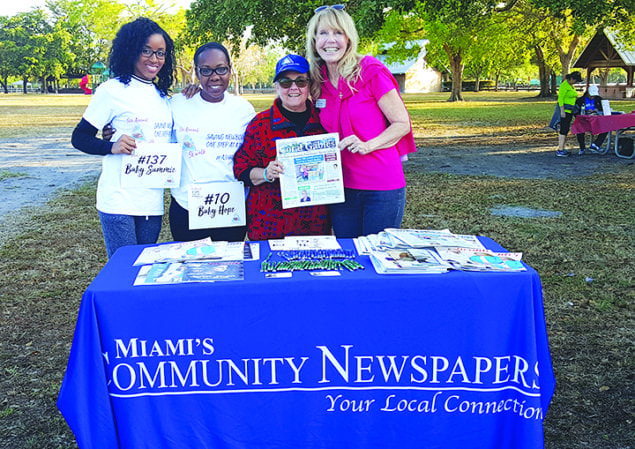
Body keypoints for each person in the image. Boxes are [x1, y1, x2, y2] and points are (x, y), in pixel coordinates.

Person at [306, 5, 417, 238]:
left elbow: (401, 123)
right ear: (314, 40)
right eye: (323, 33)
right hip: (340, 187)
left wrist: (369, 145)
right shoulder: (316, 81)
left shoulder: (370, 71)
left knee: (376, 257)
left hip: (381, 185)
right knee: (350, 257)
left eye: (338, 33)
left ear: (349, 38)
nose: (330, 40)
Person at [71, 18, 174, 258]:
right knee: (124, 271)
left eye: (161, 53)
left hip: (152, 201)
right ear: (131, 50)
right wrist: (111, 146)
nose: (154, 59)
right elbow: (79, 137)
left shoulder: (162, 96)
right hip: (119, 200)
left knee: (143, 269)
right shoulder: (111, 91)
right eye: (146, 50)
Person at [233, 54, 330, 241]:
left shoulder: (324, 121)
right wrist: (265, 173)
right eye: (286, 82)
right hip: (270, 227)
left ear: (309, 85)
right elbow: (240, 169)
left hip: (316, 226)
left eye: (301, 81)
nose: (294, 88)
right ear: (277, 86)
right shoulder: (260, 124)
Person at [169, 42, 256, 242]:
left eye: (221, 69)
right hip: (187, 207)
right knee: (192, 270)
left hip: (231, 207)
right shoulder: (177, 104)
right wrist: (113, 134)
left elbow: (255, 153)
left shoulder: (244, 109)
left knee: (230, 269)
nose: (214, 76)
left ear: (229, 70)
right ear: (197, 72)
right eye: (206, 70)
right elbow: (152, 132)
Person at [574, 84, 608, 155]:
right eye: (591, 95)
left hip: (596, 119)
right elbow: (576, 112)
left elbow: (604, 109)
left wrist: (597, 110)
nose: (593, 97)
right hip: (584, 120)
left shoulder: (599, 100)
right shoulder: (580, 101)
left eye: (594, 96)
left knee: (606, 127)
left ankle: (596, 144)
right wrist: (585, 111)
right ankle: (582, 147)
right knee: (579, 128)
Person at [556, 71, 583, 157]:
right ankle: (560, 149)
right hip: (565, 111)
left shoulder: (571, 86)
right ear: (571, 79)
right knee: (563, 129)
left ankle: (562, 148)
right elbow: (560, 99)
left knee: (566, 129)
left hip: (571, 110)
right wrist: (562, 111)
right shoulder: (564, 86)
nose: (576, 83)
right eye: (575, 81)